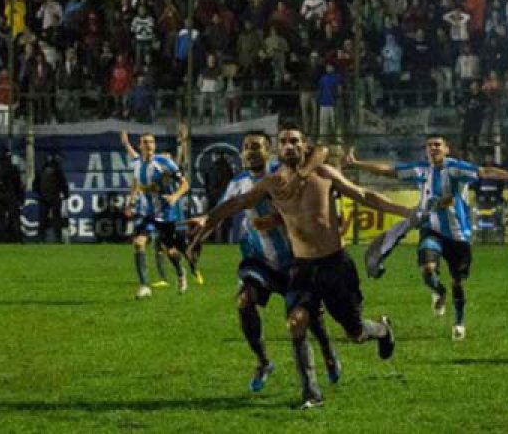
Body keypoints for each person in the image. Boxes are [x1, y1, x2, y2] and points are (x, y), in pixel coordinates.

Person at [188, 122, 409, 409]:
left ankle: (381, 330)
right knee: (296, 322)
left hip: (336, 266)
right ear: (278, 150)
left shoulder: (323, 173)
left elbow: (364, 195)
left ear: (305, 146)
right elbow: (236, 204)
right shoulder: (272, 183)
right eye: (284, 142)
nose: (289, 146)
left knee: (355, 332)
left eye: (294, 141)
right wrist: (206, 221)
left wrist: (405, 211)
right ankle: (311, 394)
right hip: (301, 267)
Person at [187, 131, 341, 393]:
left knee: (309, 317)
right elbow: (220, 213)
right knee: (244, 300)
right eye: (246, 147)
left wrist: (277, 219)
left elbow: (319, 161)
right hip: (259, 259)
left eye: (256, 146)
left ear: (269, 151)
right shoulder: (237, 183)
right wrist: (198, 240)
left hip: (295, 258)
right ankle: (263, 362)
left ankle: (327, 351)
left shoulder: (285, 173)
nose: (250, 151)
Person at [344, 136, 508, 340]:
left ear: (446, 149)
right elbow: (388, 170)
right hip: (431, 229)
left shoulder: (456, 168)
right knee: (427, 269)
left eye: (437, 145)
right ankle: (439, 292)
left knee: (457, 282)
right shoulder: (420, 170)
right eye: (429, 145)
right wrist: (357, 163)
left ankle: (459, 322)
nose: (433, 148)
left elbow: (484, 172)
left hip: (458, 234)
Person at [124, 133, 190, 299]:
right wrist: (131, 202)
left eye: (151, 142)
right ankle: (144, 286)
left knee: (170, 251)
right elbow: (136, 182)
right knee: (139, 243)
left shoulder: (164, 162)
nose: (149, 145)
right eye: (145, 142)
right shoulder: (137, 163)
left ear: (154, 145)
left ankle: (180, 272)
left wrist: (174, 196)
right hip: (146, 213)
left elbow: (185, 184)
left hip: (165, 214)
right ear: (140, 146)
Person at [34, 153, 70, 243]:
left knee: (42, 219)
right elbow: (63, 183)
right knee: (56, 219)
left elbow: (35, 185)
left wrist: (40, 193)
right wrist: (66, 195)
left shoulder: (41, 169)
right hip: (54, 197)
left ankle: (40, 238)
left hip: (43, 197)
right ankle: (58, 238)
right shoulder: (58, 170)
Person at [0, 149, 25, 243]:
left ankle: (2, 238)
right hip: (10, 195)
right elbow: (18, 184)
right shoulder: (13, 168)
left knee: (1, 219)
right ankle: (17, 238)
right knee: (14, 218)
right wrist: (20, 198)